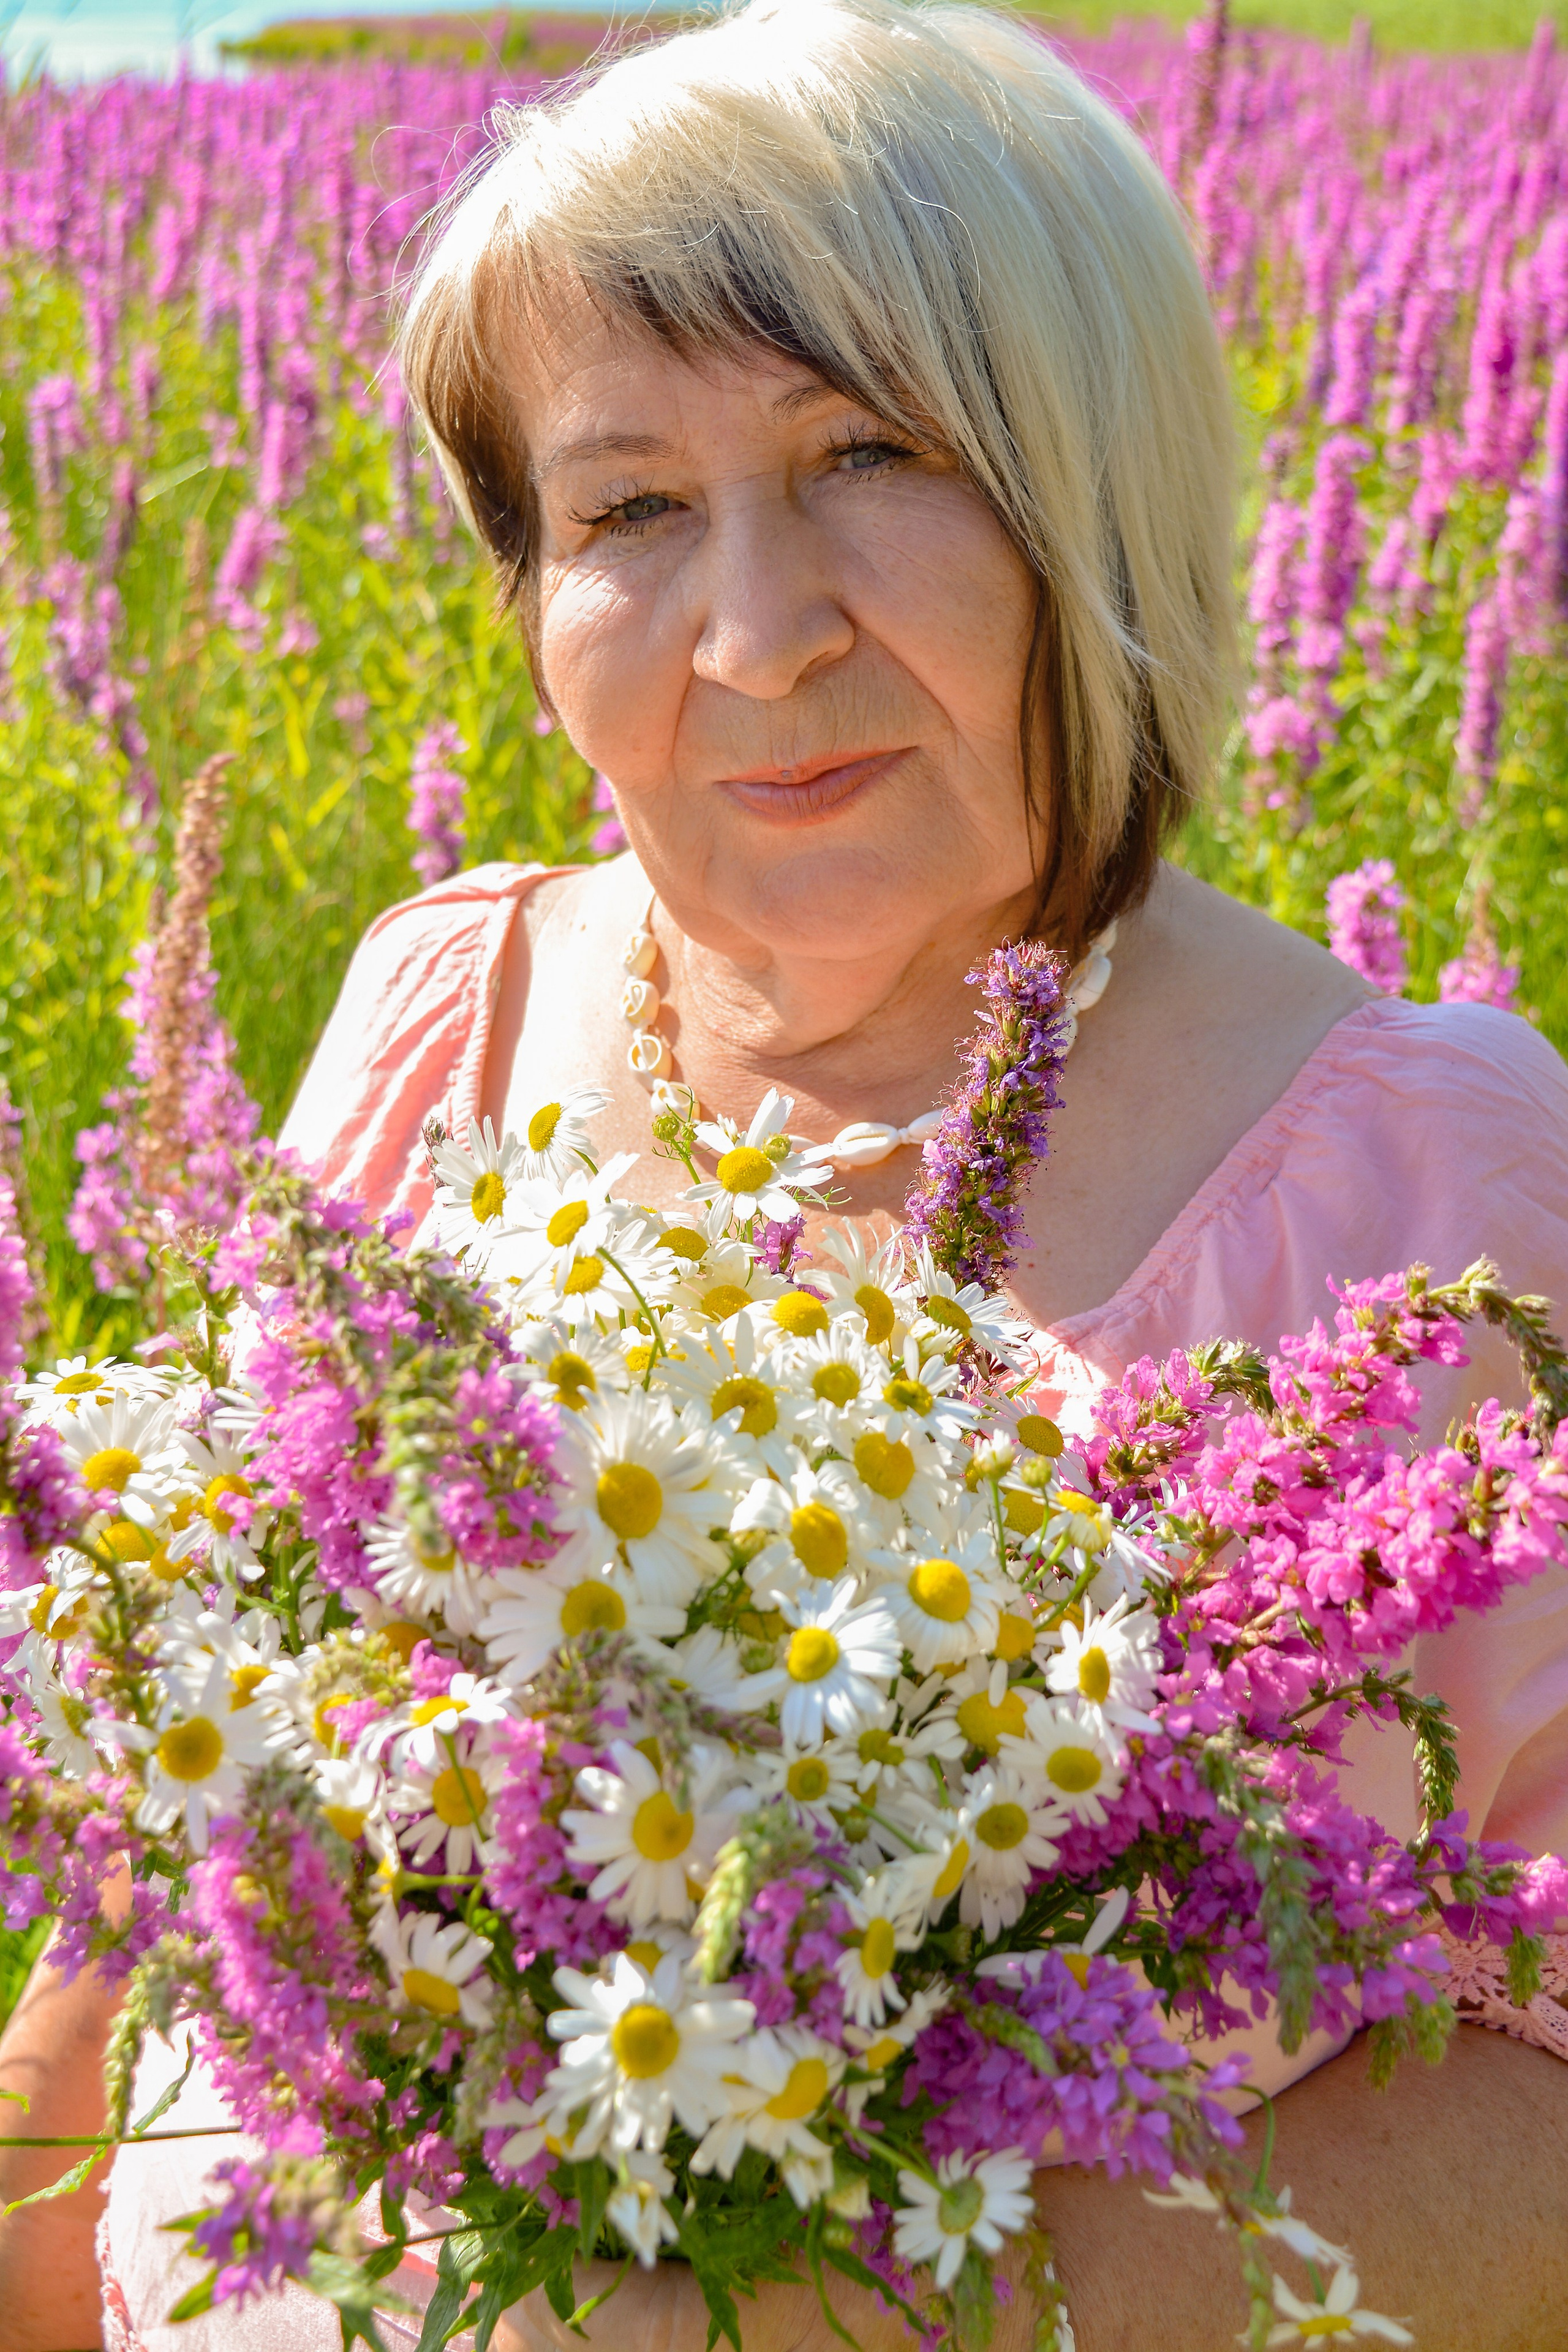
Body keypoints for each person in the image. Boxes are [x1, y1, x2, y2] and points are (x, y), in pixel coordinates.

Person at [4, 0, 1567, 2344]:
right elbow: (177, 1869)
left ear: (1095, 499)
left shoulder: (1453, 1210)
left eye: (869, 451)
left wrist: (798, 2316)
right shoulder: (439, 1010)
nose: (753, 632)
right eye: (626, 508)